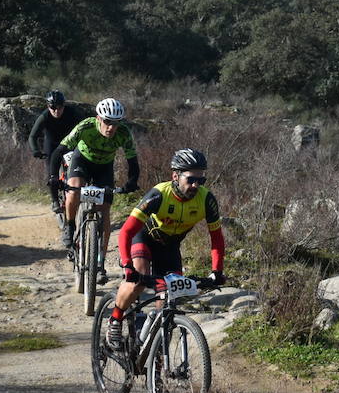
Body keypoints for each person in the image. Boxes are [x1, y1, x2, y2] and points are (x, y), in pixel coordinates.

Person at [105, 148, 226, 347]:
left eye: (201, 180)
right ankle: (115, 319)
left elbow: (217, 239)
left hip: (169, 247)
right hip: (144, 238)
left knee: (167, 304)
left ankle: (157, 362)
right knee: (139, 281)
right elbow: (126, 231)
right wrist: (127, 265)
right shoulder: (159, 194)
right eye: (190, 179)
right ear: (175, 176)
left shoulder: (206, 199)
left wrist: (217, 271)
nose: (196, 185)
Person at [48, 97, 139, 278]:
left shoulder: (124, 134)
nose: (111, 127)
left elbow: (133, 162)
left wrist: (131, 182)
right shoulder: (85, 127)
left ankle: (100, 261)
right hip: (82, 161)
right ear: (98, 118)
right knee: (74, 188)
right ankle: (71, 226)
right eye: (107, 122)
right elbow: (59, 151)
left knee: (105, 210)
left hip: (104, 168)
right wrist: (53, 177)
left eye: (116, 123)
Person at [28, 90, 81, 212]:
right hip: (51, 146)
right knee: (53, 176)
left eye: (60, 107)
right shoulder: (44, 116)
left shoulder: (72, 113)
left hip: (69, 144)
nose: (57, 111)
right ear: (48, 106)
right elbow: (32, 136)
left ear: (64, 106)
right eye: (53, 107)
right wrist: (35, 150)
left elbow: (85, 125)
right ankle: (55, 201)